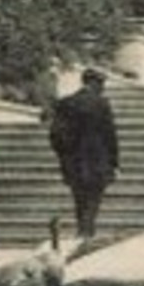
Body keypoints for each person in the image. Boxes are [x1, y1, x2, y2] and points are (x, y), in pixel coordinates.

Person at [49, 67, 120, 239]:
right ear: (95, 84)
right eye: (101, 84)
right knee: (94, 197)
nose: (103, 88)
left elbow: (54, 134)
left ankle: (83, 229)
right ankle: (86, 231)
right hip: (97, 161)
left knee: (79, 198)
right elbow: (109, 135)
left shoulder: (66, 103)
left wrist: (63, 155)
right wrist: (114, 162)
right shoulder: (101, 104)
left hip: (73, 161)